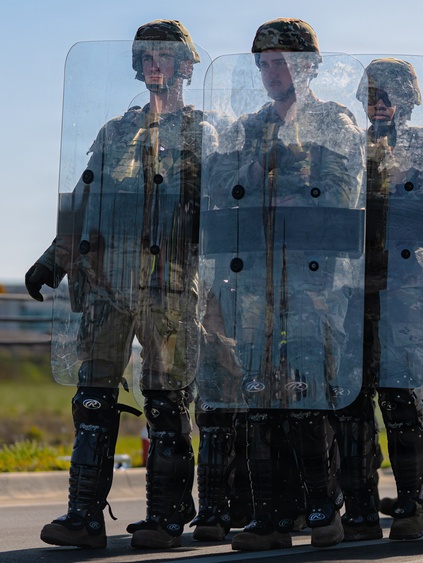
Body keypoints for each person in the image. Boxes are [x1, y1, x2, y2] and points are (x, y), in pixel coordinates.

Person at [27, 20, 211, 549]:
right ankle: (83, 517)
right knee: (92, 399)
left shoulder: (205, 133)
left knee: (166, 401)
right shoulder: (115, 131)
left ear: (184, 65)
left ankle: (167, 518)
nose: (153, 63)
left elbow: (222, 216)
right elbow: (83, 208)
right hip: (107, 287)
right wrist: (52, 261)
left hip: (169, 287)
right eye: (145, 55)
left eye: (163, 55)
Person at [202, 18, 365, 551]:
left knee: (307, 389)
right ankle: (269, 516)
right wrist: (253, 174)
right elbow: (221, 184)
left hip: (312, 276)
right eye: (265, 65)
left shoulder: (333, 121)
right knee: (260, 394)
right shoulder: (249, 125)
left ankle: (322, 508)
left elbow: (341, 189)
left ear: (308, 66)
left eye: (282, 63)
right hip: (254, 277)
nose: (272, 74)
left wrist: (282, 187)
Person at [331, 57, 423, 541]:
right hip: (351, 287)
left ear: (407, 98)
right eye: (371, 94)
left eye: (387, 94)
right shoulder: (349, 146)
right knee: (352, 401)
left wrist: (397, 187)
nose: (377, 103)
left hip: (405, 285)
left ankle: (409, 505)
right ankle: (359, 508)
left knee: (399, 398)